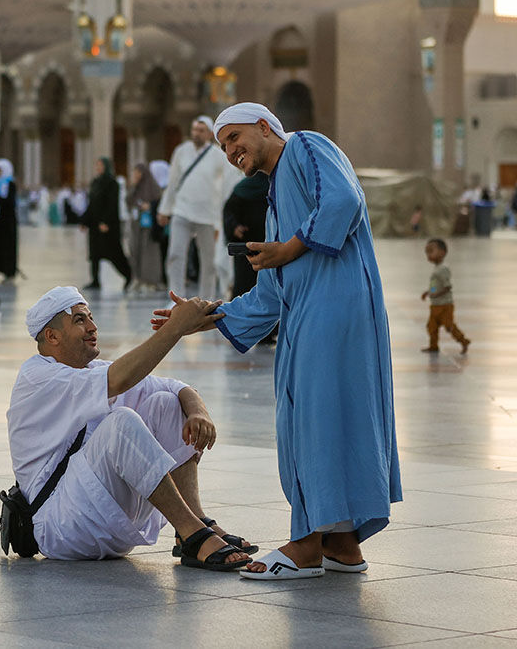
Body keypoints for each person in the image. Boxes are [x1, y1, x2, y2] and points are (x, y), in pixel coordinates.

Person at [157, 102, 401, 581]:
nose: (229, 151)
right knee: (333, 422)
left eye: (234, 139)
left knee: (309, 420)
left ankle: (306, 547)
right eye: (223, 144)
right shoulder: (274, 200)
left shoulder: (307, 145)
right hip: (313, 317)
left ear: (265, 127)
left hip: (334, 311)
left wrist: (289, 248)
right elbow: (269, 294)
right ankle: (342, 544)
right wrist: (199, 317)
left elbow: (344, 202)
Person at [7, 286, 253, 568]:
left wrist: (198, 412)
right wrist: (175, 328)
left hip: (104, 515)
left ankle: (194, 524)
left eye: (90, 317)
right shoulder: (37, 376)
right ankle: (194, 534)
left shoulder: (92, 370)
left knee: (166, 403)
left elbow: (177, 387)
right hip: (62, 525)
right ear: (52, 336)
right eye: (79, 320)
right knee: (120, 422)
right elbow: (119, 379)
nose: (92, 327)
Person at [158, 116, 228, 298]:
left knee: (209, 261)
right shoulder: (181, 151)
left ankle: (207, 298)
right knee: (175, 255)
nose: (196, 133)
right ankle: (176, 298)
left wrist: (221, 220)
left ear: (210, 134)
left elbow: (225, 187)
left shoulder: (218, 155)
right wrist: (164, 209)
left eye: (201, 130)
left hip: (208, 215)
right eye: (194, 130)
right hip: (182, 211)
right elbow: (173, 182)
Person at [82, 157, 131, 290]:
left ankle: (128, 275)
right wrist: (84, 221)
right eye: (97, 165)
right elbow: (91, 204)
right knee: (95, 255)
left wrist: (106, 222)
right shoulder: (95, 182)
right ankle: (95, 280)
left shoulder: (112, 183)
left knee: (114, 254)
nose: (98, 168)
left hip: (107, 226)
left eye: (100, 165)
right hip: (94, 225)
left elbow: (112, 205)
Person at [222, 171, 270, 299]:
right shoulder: (243, 188)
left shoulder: (277, 186)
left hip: (271, 245)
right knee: (244, 287)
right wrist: (234, 227)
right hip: (248, 246)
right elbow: (229, 211)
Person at [420, 238, 470, 354]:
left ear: (442, 252)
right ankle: (433, 346)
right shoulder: (436, 269)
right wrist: (428, 292)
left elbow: (447, 287)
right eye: (427, 252)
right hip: (435, 305)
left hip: (445, 305)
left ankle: (463, 341)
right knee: (431, 326)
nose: (428, 255)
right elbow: (434, 285)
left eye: (431, 251)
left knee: (449, 326)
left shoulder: (443, 269)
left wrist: (436, 294)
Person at [127, 163, 165, 291]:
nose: (136, 175)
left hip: (149, 227)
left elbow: (159, 202)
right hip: (136, 226)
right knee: (135, 251)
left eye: (138, 172)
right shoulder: (135, 188)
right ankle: (137, 278)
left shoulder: (153, 188)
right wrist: (133, 185)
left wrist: (150, 206)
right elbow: (128, 201)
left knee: (149, 254)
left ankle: (152, 280)